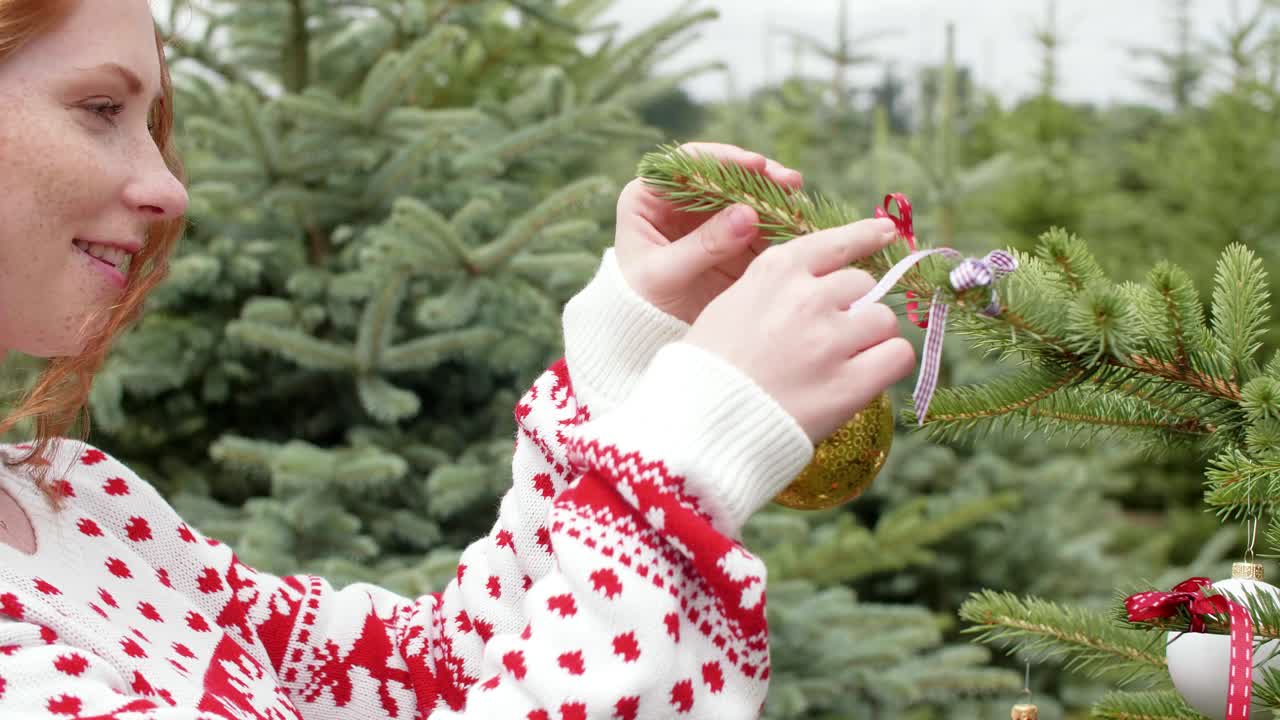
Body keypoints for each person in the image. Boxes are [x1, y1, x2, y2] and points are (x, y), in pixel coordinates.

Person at [0, 0, 915, 718]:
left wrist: (627, 344)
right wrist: (681, 459)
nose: (167, 184)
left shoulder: (79, 507)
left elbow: (434, 677)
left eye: (151, 120)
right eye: (101, 109)